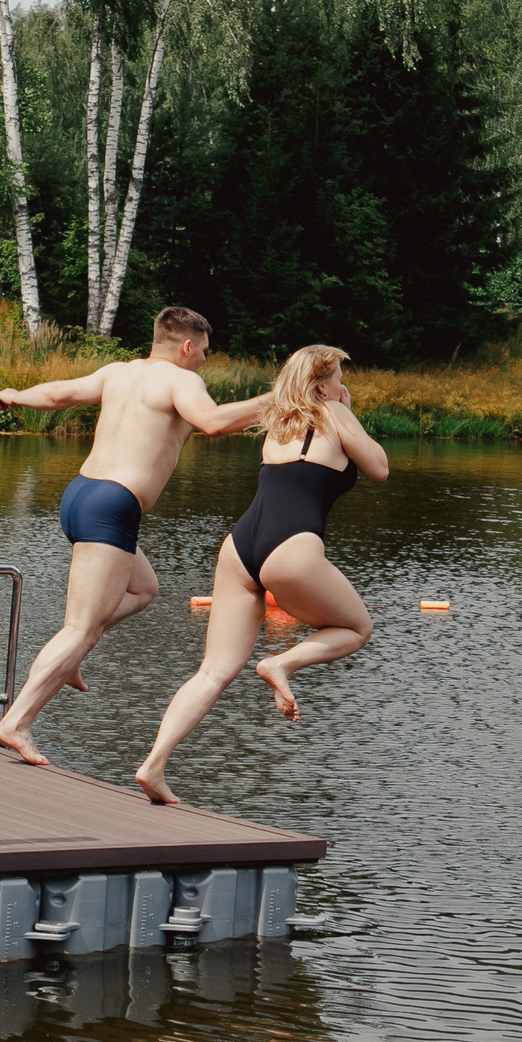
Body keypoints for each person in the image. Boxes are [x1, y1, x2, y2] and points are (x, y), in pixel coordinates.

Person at [0, 307, 269, 766]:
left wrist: (16, 396)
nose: (204, 361)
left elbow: (58, 394)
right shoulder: (181, 380)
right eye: (204, 352)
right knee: (79, 627)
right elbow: (214, 422)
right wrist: (280, 397)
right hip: (112, 505)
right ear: (187, 346)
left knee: (143, 589)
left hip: (80, 495)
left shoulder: (117, 372)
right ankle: (16, 721)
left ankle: (72, 655)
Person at [134, 344, 388, 806]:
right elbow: (380, 468)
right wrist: (347, 413)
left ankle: (154, 764)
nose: (344, 386)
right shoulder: (335, 413)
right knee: (357, 628)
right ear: (321, 386)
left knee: (212, 670)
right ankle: (281, 664)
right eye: (338, 379)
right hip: (292, 547)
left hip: (241, 547)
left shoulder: (278, 422)